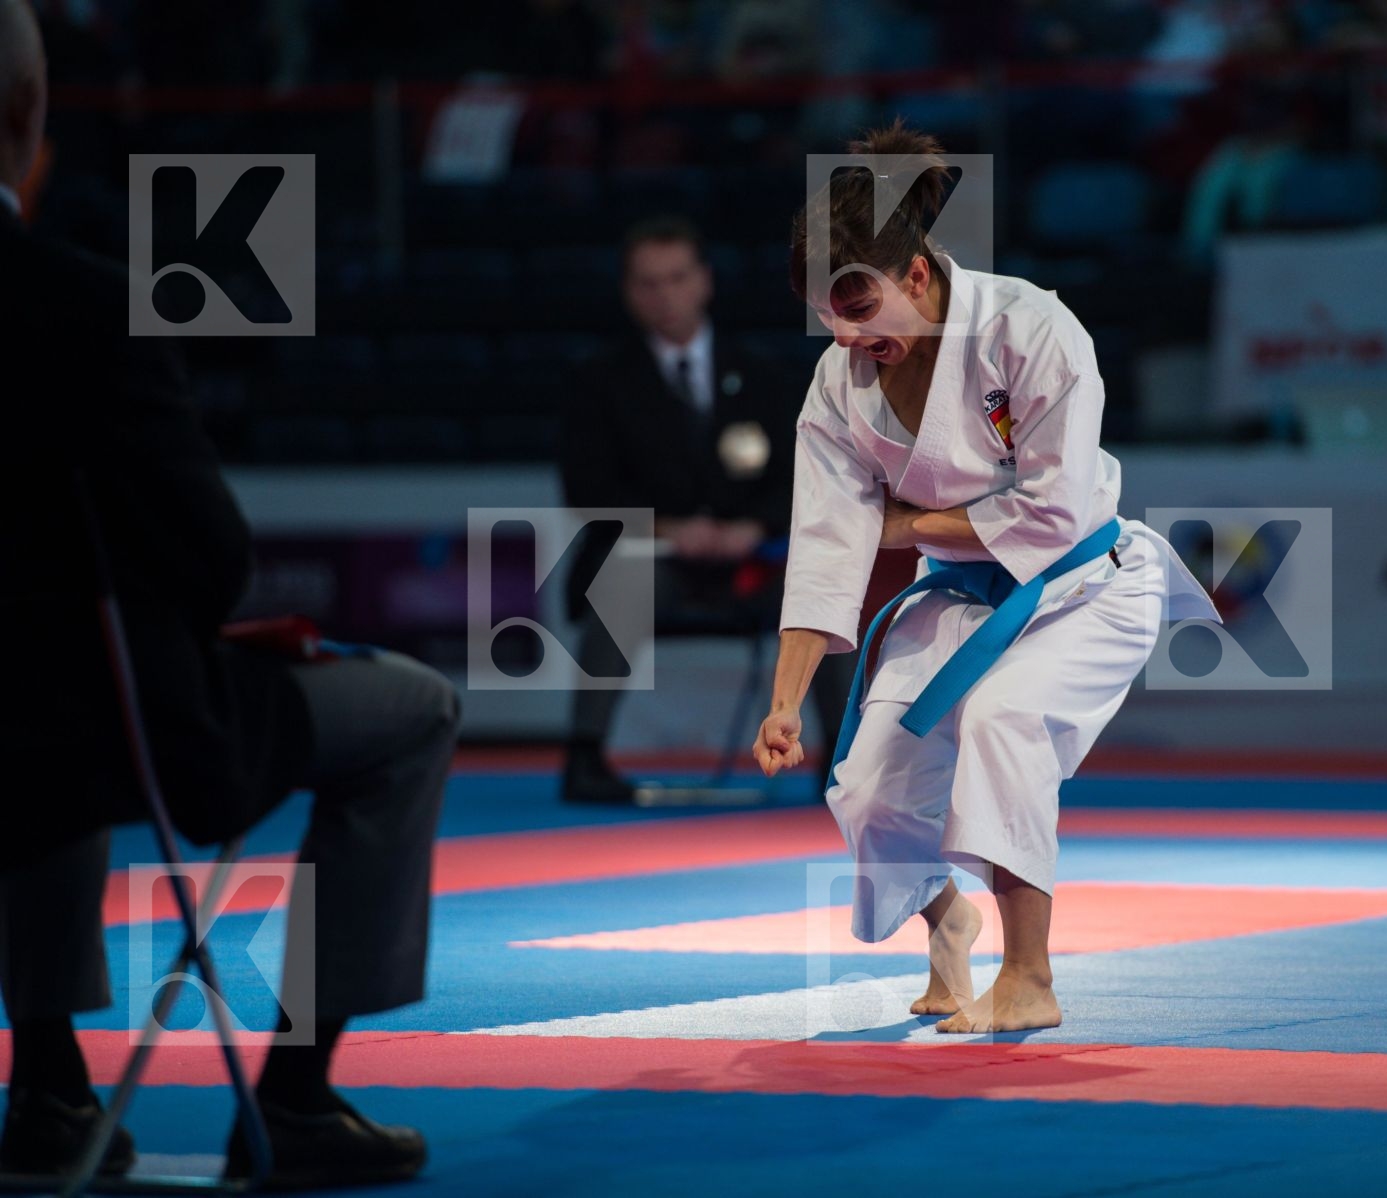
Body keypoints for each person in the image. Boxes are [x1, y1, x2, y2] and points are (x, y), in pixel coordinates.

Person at [0, 2, 457, 1186]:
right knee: (413, 710)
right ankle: (298, 1092)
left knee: (36, 708)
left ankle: (50, 1086)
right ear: (28, 120)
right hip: (110, 724)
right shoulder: (82, 302)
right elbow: (213, 557)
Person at [753, 123, 1219, 1034]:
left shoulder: (1031, 329)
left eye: (862, 308)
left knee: (1007, 722)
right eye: (830, 318)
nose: (849, 336)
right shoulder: (837, 383)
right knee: (871, 789)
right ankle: (948, 917)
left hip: (1084, 588)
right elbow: (824, 545)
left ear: (918, 275)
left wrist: (905, 524)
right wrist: (783, 702)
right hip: (962, 595)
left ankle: (1031, 974)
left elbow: (1053, 512)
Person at [559, 215, 851, 802]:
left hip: (754, 561)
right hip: (658, 559)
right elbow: (585, 488)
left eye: (676, 278)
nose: (664, 294)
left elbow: (810, 476)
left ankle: (844, 760)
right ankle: (585, 757)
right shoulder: (599, 380)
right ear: (628, 291)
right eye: (648, 282)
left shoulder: (766, 374)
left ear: (704, 281)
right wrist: (670, 528)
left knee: (827, 583)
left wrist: (752, 527)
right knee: (623, 576)